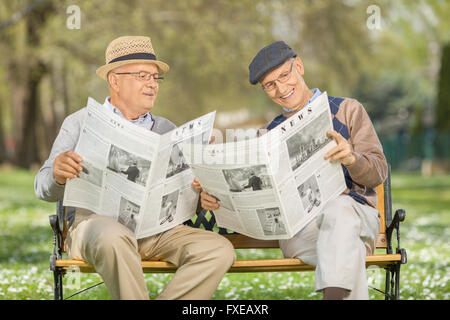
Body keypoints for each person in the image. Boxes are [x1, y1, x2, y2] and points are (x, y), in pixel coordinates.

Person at [34, 36, 235, 300]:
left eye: (155, 77)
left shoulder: (167, 129)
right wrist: (58, 175)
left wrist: (200, 192)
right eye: (142, 75)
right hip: (96, 228)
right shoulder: (80, 123)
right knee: (113, 236)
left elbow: (185, 198)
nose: (152, 83)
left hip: (157, 231)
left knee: (219, 249)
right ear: (114, 80)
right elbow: (42, 187)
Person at [196, 41, 387, 300]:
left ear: (299, 66)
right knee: (347, 249)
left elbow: (377, 173)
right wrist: (215, 197)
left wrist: (352, 159)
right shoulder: (266, 136)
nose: (281, 89)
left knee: (339, 210)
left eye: (284, 76)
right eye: (270, 85)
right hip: (302, 232)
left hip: (356, 218)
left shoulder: (348, 110)